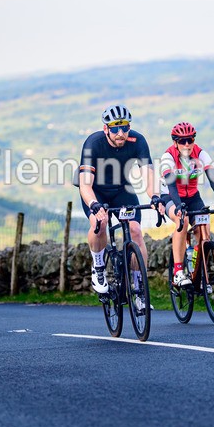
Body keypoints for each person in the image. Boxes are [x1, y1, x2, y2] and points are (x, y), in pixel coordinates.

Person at [77, 104, 162, 307]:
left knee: (135, 230)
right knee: (101, 223)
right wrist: (94, 204)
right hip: (95, 191)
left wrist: (156, 197)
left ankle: (139, 290)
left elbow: (148, 174)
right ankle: (98, 268)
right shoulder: (93, 143)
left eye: (124, 127)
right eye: (115, 128)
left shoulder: (138, 140)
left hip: (122, 188)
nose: (120, 132)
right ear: (106, 129)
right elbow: (85, 184)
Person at [159, 122, 214, 287]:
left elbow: (213, 179)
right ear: (175, 142)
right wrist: (179, 206)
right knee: (183, 221)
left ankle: (198, 270)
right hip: (170, 196)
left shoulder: (200, 154)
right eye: (182, 141)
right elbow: (171, 185)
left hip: (193, 197)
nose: (187, 144)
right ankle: (178, 271)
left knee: (204, 230)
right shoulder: (169, 157)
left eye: (190, 140)